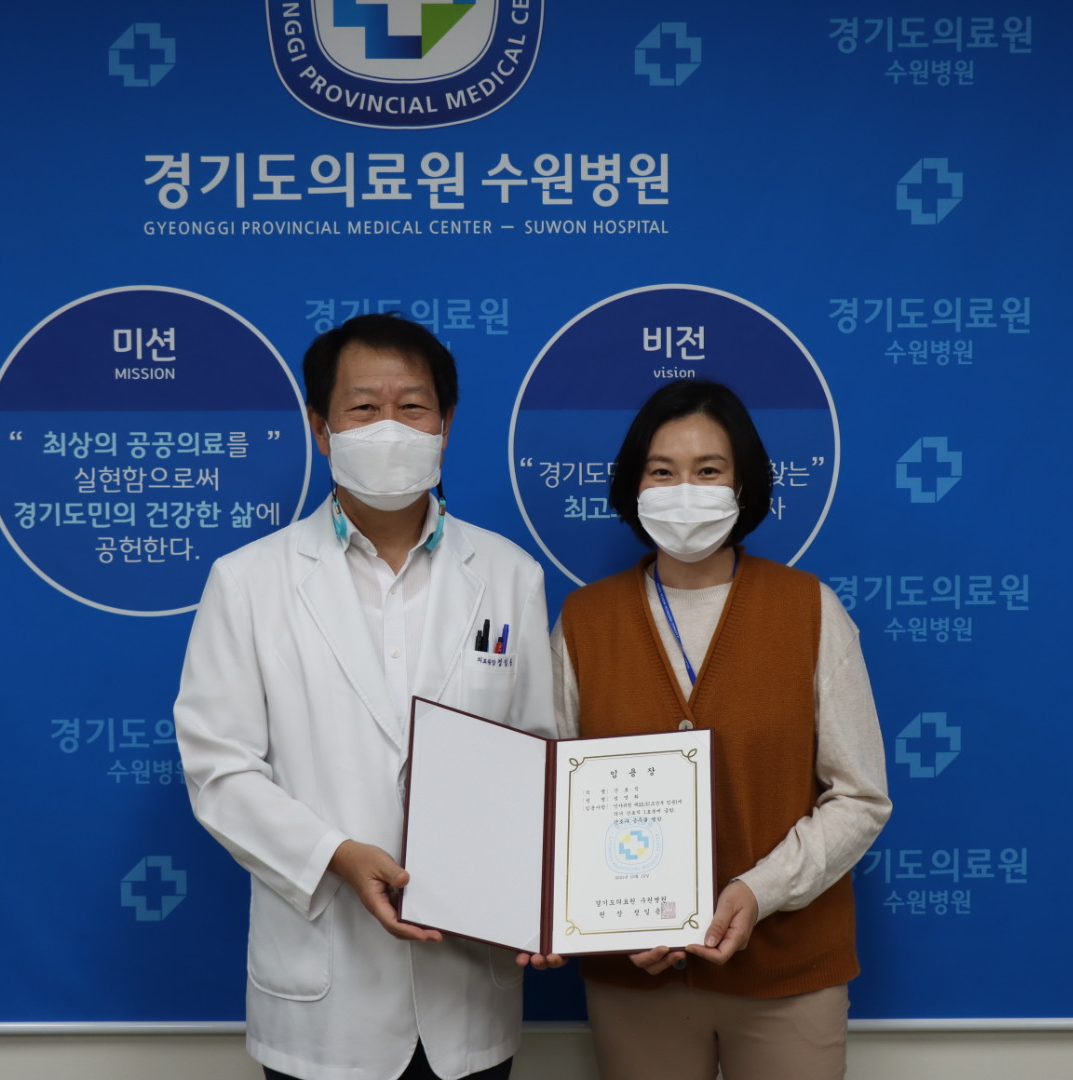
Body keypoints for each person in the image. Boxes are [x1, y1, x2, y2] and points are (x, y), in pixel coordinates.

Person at [174, 313, 555, 1080]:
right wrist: (336, 856)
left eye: (412, 407)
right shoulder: (248, 581)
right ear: (320, 428)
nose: (390, 428)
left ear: (446, 424)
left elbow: (538, 756)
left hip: (468, 987)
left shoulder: (509, 575)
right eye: (363, 407)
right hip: (325, 995)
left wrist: (542, 897)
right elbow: (219, 769)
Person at [550, 379, 891, 1080]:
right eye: (662, 471)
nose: (685, 491)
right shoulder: (584, 622)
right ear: (634, 486)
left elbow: (859, 797)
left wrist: (759, 891)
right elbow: (554, 801)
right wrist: (615, 918)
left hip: (787, 973)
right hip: (635, 978)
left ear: (743, 486)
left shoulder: (810, 610)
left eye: (708, 471)